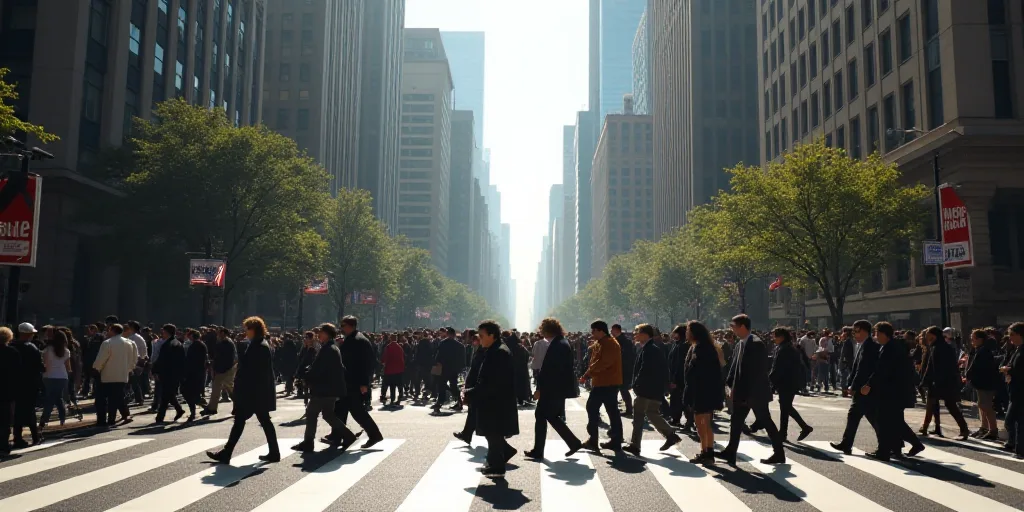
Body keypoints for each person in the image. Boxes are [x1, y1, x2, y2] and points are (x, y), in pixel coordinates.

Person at [207, 316, 281, 464]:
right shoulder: (260, 344)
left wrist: (241, 392)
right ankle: (273, 452)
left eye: (247, 328)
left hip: (253, 392)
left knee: (242, 421)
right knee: (262, 421)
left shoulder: (259, 346)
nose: (245, 331)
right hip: (257, 392)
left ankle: (227, 453)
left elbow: (251, 371)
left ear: (253, 329)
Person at [715, 314, 785, 465]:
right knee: (736, 421)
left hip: (755, 392)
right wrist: (728, 384)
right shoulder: (740, 343)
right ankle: (730, 452)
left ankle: (779, 453)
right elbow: (734, 367)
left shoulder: (756, 343)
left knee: (766, 421)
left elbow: (756, 372)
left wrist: (745, 392)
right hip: (742, 392)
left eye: (733, 326)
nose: (731, 329)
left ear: (742, 326)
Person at [464, 320, 519, 478]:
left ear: (492, 335)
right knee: (492, 433)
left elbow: (492, 381)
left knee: (493, 433)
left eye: (481, 336)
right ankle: (499, 459)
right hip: (493, 399)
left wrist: (471, 392)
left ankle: (496, 466)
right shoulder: (495, 349)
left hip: (496, 401)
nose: (479, 339)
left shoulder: (499, 352)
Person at [863, 321, 925, 461]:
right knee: (894, 421)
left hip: (892, 391)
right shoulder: (894, 347)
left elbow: (881, 370)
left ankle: (884, 451)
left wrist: (869, 384)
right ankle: (898, 448)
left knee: (884, 421)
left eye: (877, 333)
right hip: (897, 391)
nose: (875, 336)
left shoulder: (889, 349)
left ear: (885, 334)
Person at [293, 323, 358, 452]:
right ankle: (348, 436)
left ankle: (308, 442)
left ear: (327, 333)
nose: (318, 335)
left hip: (324, 388)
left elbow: (320, 369)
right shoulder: (331, 347)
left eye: (321, 332)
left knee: (312, 413)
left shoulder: (328, 349)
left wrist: (307, 375)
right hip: (329, 388)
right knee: (328, 415)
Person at [524, 318, 583, 459]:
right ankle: (572, 443)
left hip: (552, 388)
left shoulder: (558, 345)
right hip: (556, 388)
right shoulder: (560, 342)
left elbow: (550, 370)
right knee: (550, 416)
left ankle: (541, 450)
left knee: (544, 415)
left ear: (549, 330)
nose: (540, 331)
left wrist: (540, 388)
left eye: (543, 328)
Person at [622, 323, 679, 457]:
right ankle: (670, 435)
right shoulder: (650, 348)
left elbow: (645, 371)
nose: (635, 335)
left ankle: (635, 445)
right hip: (653, 389)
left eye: (637, 332)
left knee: (638, 418)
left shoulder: (650, 349)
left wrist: (635, 384)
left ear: (645, 334)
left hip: (646, 389)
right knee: (652, 413)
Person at [830, 319, 880, 454]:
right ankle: (892, 443)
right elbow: (857, 367)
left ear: (865, 331)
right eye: (854, 332)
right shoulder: (862, 345)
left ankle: (847, 444)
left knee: (857, 415)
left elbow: (863, 370)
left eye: (857, 331)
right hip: (863, 387)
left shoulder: (870, 346)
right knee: (870, 416)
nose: (855, 334)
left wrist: (854, 385)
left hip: (864, 388)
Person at [336, 315, 384, 449]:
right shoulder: (353, 339)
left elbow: (367, 364)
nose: (341, 328)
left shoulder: (359, 340)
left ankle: (374, 435)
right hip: (349, 380)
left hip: (354, 381)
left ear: (350, 326)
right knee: (341, 408)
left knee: (357, 411)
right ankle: (339, 435)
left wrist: (364, 383)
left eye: (343, 325)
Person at [683, 321, 724, 464]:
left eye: (688, 330)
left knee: (703, 422)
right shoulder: (699, 347)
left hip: (703, 390)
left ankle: (707, 452)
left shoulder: (702, 348)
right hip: (700, 390)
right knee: (701, 423)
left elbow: (702, 372)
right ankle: (706, 451)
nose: (686, 333)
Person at [580, 320, 624, 453]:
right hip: (603, 382)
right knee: (611, 411)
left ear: (600, 331)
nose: (591, 333)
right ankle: (614, 440)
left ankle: (595, 440)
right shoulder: (601, 343)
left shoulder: (610, 343)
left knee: (594, 408)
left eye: (593, 331)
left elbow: (604, 362)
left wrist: (587, 374)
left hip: (607, 382)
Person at [920, 325, 970, 440]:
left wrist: (928, 380)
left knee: (942, 404)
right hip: (944, 381)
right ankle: (930, 427)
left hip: (941, 381)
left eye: (928, 334)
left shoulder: (939, 347)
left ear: (933, 335)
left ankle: (963, 429)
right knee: (939, 404)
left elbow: (935, 367)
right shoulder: (940, 346)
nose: (926, 336)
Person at [768, 328, 813, 442]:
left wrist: (771, 381)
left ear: (781, 336)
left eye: (775, 336)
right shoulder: (786, 347)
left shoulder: (785, 349)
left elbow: (779, 367)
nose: (773, 339)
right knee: (785, 406)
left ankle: (789, 431)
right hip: (789, 381)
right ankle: (787, 432)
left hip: (787, 382)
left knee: (785, 407)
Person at [92, 323, 138, 427]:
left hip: (107, 375)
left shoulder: (107, 343)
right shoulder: (131, 343)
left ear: (112, 331)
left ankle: (101, 420)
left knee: (101, 399)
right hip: (122, 375)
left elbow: (101, 358)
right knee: (115, 398)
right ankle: (112, 419)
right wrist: (129, 369)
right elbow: (134, 359)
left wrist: (96, 368)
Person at [966, 329, 1001, 440]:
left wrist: (971, 375)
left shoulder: (984, 351)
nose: (972, 341)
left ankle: (993, 430)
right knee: (982, 405)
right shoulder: (980, 350)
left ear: (980, 339)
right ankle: (984, 427)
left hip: (986, 382)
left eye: (974, 338)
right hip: (981, 382)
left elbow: (982, 368)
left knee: (986, 405)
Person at [153, 324, 187, 423]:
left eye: (163, 331)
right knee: (169, 394)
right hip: (174, 373)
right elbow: (182, 361)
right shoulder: (177, 343)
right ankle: (179, 409)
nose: (162, 333)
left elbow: (161, 360)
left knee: (165, 395)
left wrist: (155, 371)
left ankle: (160, 417)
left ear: (166, 332)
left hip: (167, 373)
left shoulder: (167, 345)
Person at [39, 330, 72, 428]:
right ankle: (62, 417)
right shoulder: (66, 351)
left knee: (50, 398)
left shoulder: (47, 350)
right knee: (58, 397)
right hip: (62, 377)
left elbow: (44, 362)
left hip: (48, 376)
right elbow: (68, 367)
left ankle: (44, 419)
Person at [201, 327, 238, 416]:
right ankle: (212, 407)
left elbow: (222, 358)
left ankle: (212, 408)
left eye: (219, 333)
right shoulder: (227, 342)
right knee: (226, 388)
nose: (217, 334)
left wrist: (217, 370)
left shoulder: (225, 343)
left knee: (219, 388)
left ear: (223, 333)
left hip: (224, 369)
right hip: (226, 369)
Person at [999, 322, 1023, 457]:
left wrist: (1009, 370)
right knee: (1015, 420)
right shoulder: (1017, 349)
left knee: (1014, 420)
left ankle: (1019, 448)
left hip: (1020, 391)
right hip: (1015, 390)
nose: (1010, 338)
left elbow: (1019, 370)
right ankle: (1016, 446)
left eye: (1013, 335)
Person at [432, 327, 464, 412]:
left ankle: (440, 402)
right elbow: (462, 359)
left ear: (448, 334)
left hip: (444, 368)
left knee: (441, 385)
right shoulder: (460, 345)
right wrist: (460, 368)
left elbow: (438, 355)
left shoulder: (443, 343)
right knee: (454, 385)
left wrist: (437, 362)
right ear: (454, 334)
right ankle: (459, 402)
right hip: (454, 369)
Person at [0, 327, 20, 454]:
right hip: (8, 389)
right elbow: (18, 371)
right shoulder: (13, 352)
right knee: (6, 419)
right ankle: (4, 444)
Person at [181, 331, 210, 420]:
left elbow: (191, 360)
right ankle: (203, 407)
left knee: (188, 392)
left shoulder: (195, 345)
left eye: (189, 335)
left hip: (194, 373)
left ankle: (195, 411)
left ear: (193, 336)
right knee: (193, 393)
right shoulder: (200, 344)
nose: (188, 337)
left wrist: (185, 372)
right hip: (198, 373)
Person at [611, 324, 636, 418]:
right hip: (620, 369)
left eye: (612, 330)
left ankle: (629, 409)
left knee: (623, 390)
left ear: (616, 330)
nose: (611, 332)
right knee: (620, 390)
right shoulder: (619, 340)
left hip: (623, 369)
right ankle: (626, 409)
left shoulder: (624, 342)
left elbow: (627, 357)